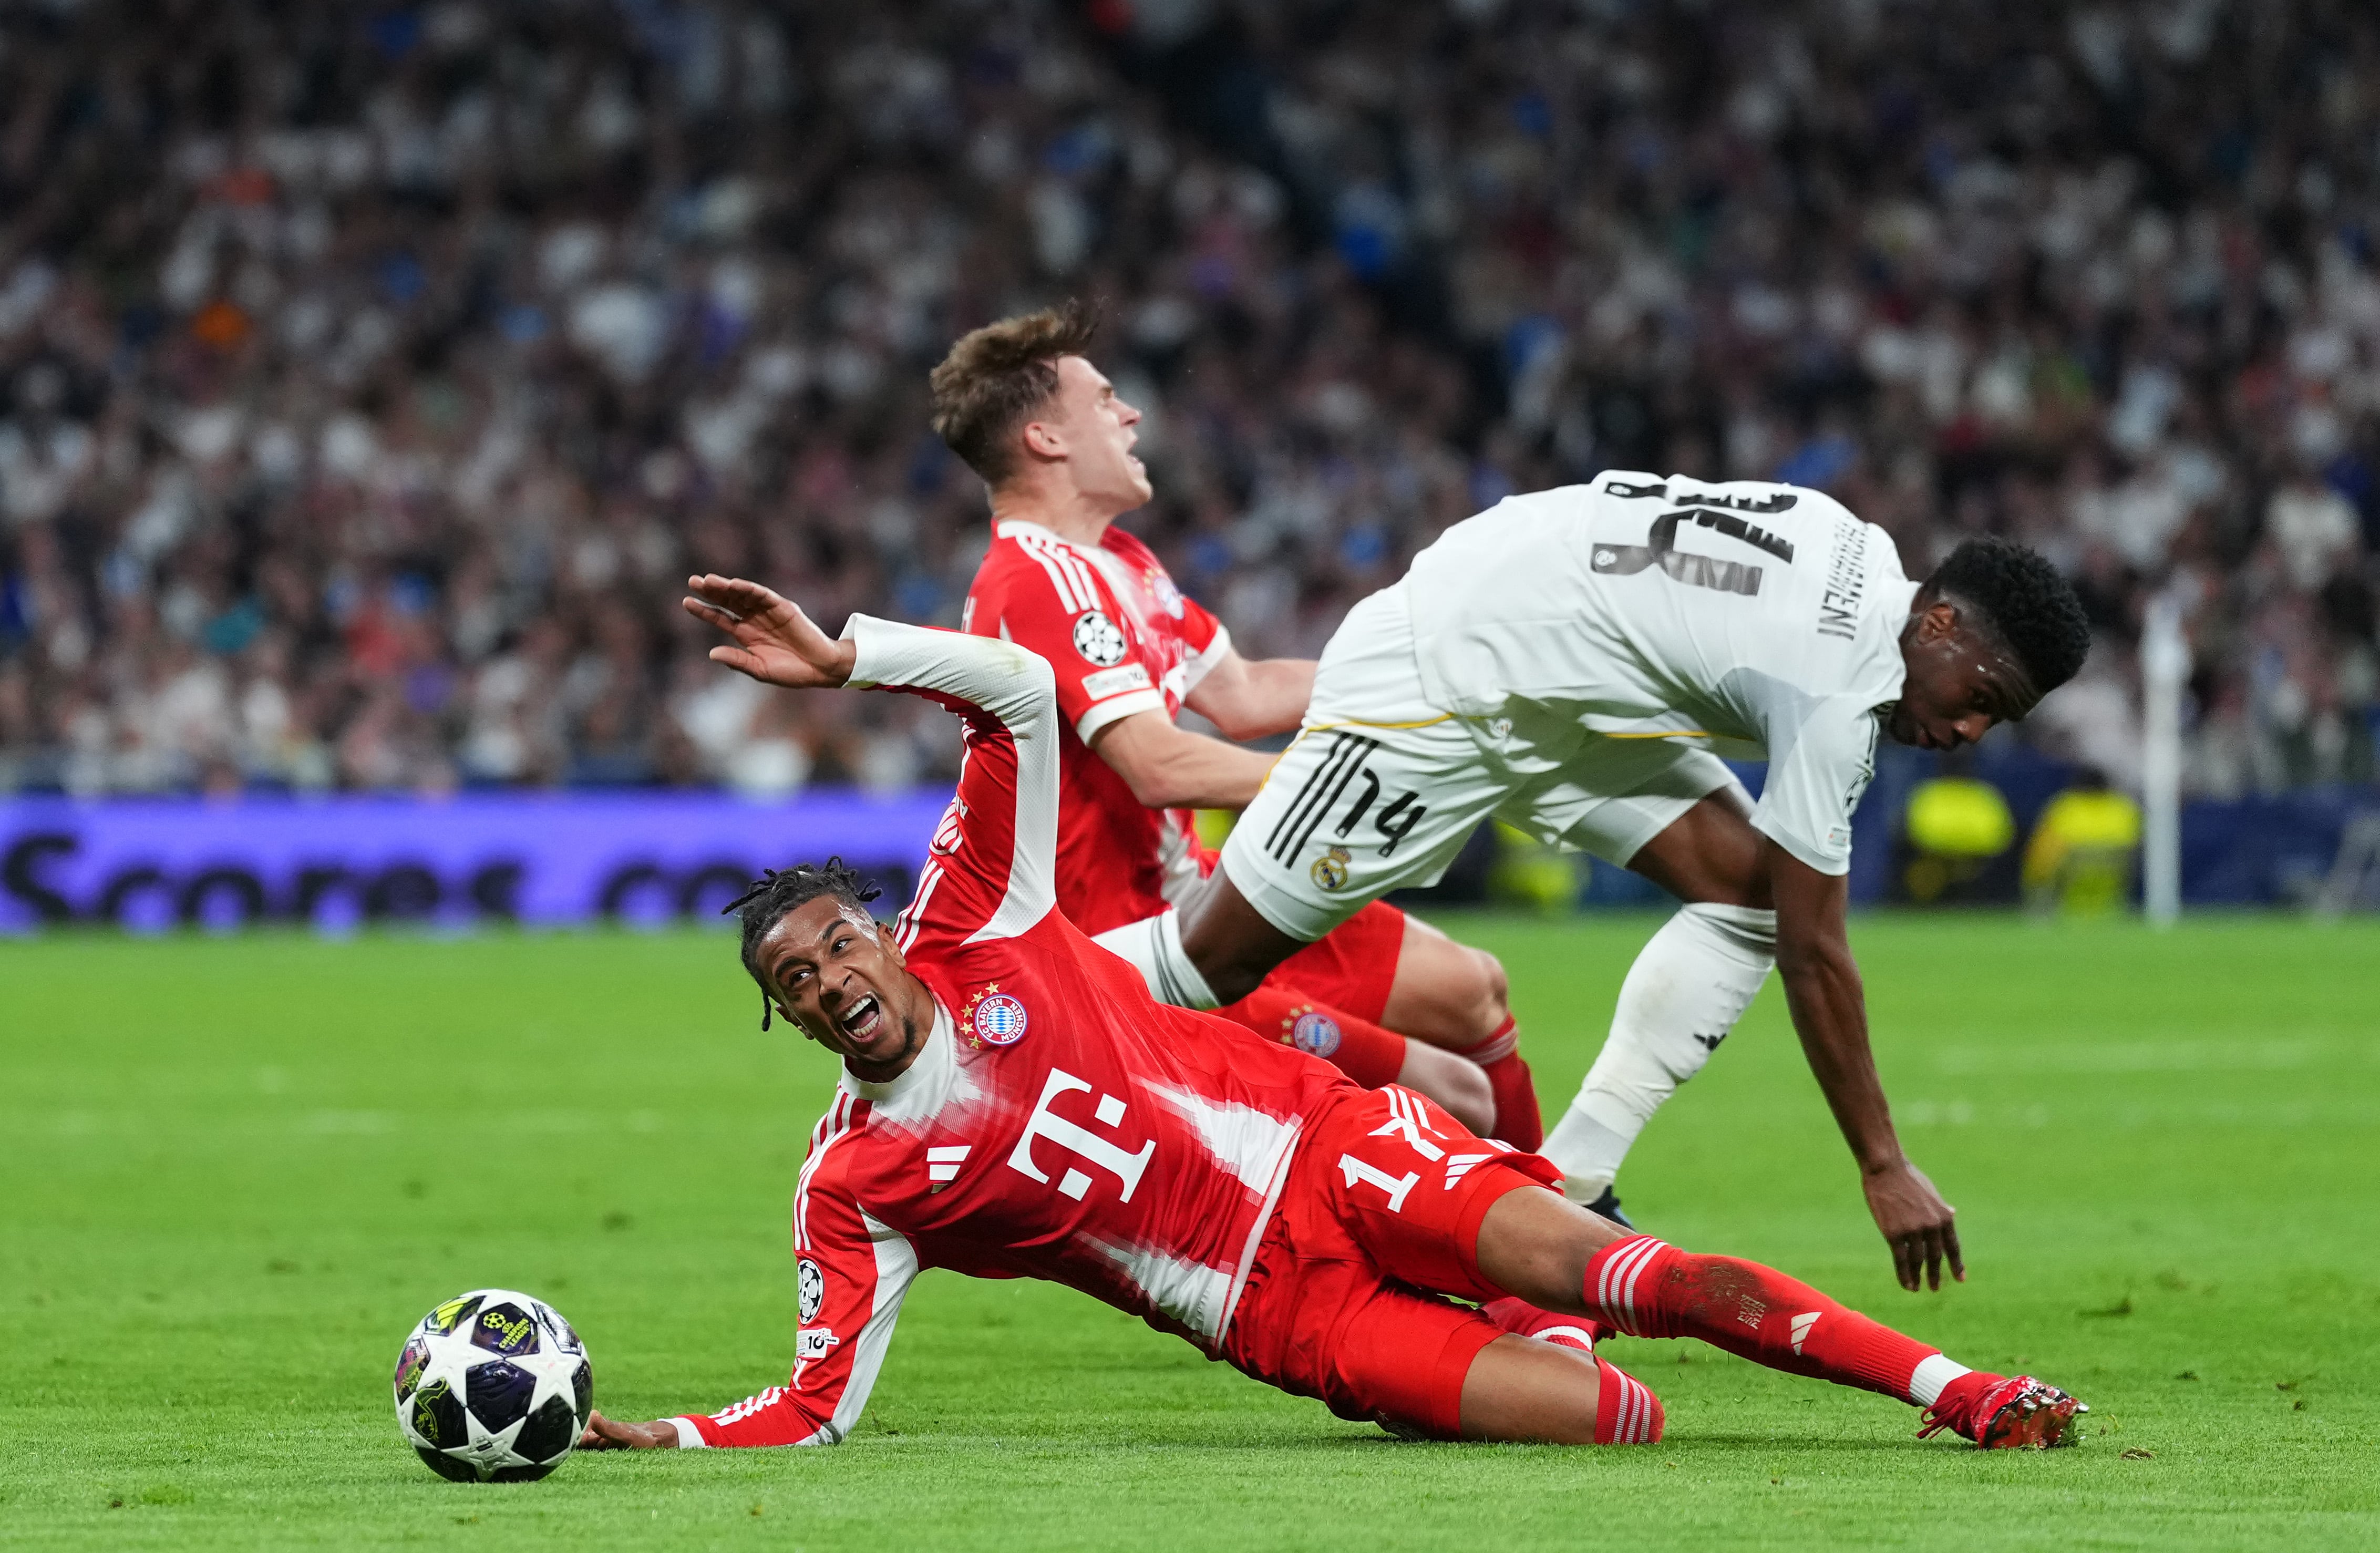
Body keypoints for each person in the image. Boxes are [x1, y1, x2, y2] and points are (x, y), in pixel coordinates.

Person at [574, 576, 2085, 1453]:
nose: (833, 983)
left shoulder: (981, 923)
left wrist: (853, 658)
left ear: (879, 933)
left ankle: (1960, 1391)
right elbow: (819, 1405)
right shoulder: (851, 1183)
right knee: (1616, 1421)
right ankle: (1531, 1327)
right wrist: (675, 1439)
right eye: (798, 985)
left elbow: (1025, 693)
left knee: (1641, 1280)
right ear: (791, 1021)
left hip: (1334, 1154)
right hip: (1283, 1316)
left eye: (837, 945)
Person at [1111, 473, 2090, 1283]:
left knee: (1746, 892)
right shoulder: (1839, 689)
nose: (1966, 733)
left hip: (1556, 678)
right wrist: (1883, 1165)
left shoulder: (1859, 548)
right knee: (1208, 965)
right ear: (1942, 620)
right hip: (1447, 682)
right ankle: (978, 984)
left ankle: (1569, 1183)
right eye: (1979, 698)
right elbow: (1817, 954)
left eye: (1994, 724)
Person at [930, 304, 1540, 1148]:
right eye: (1104, 399)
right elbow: (1154, 762)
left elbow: (1246, 692)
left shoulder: (1121, 563)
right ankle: (1534, 1253)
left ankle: (1570, 1223)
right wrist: (1344, 777)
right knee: (1456, 1098)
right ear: (1045, 439)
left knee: (1471, 988)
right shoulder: (1030, 581)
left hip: (1199, 885)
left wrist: (1434, 680)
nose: (1130, 413)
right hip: (1125, 945)